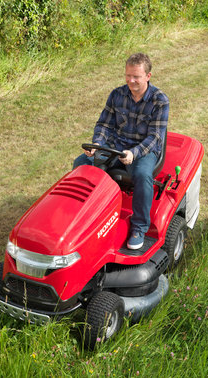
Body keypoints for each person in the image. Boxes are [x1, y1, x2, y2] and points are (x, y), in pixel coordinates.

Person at [73, 53, 169, 250]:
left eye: (136, 77)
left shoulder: (160, 101)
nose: (131, 81)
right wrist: (96, 144)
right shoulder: (117, 94)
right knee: (81, 164)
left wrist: (133, 153)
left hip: (144, 150)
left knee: (142, 175)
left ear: (148, 76)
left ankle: (139, 227)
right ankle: (84, 216)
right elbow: (104, 125)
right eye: (127, 76)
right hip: (117, 145)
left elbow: (155, 138)